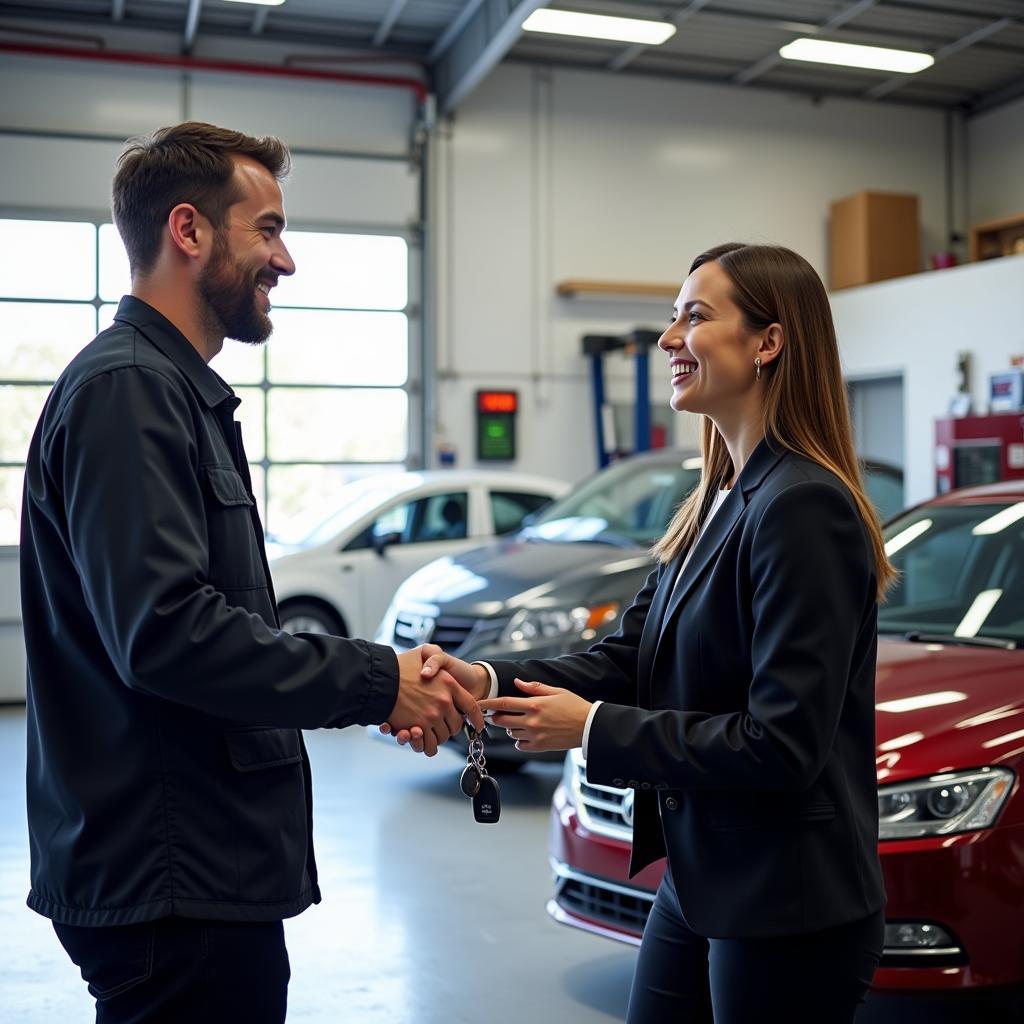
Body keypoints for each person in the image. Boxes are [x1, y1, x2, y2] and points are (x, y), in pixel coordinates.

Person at [20, 121, 482, 1023]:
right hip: (170, 877)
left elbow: (211, 624)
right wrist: (377, 680)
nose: (287, 260)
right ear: (188, 231)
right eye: (267, 229)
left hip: (193, 865)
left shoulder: (173, 391)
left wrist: (380, 687)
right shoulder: (130, 391)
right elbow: (169, 633)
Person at [389, 243, 894, 1023]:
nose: (667, 339)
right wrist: (485, 680)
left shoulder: (803, 508)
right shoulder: (719, 498)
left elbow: (783, 745)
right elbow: (630, 657)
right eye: (671, 317)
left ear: (769, 341)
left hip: (787, 900)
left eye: (695, 316)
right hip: (704, 879)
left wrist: (590, 728)